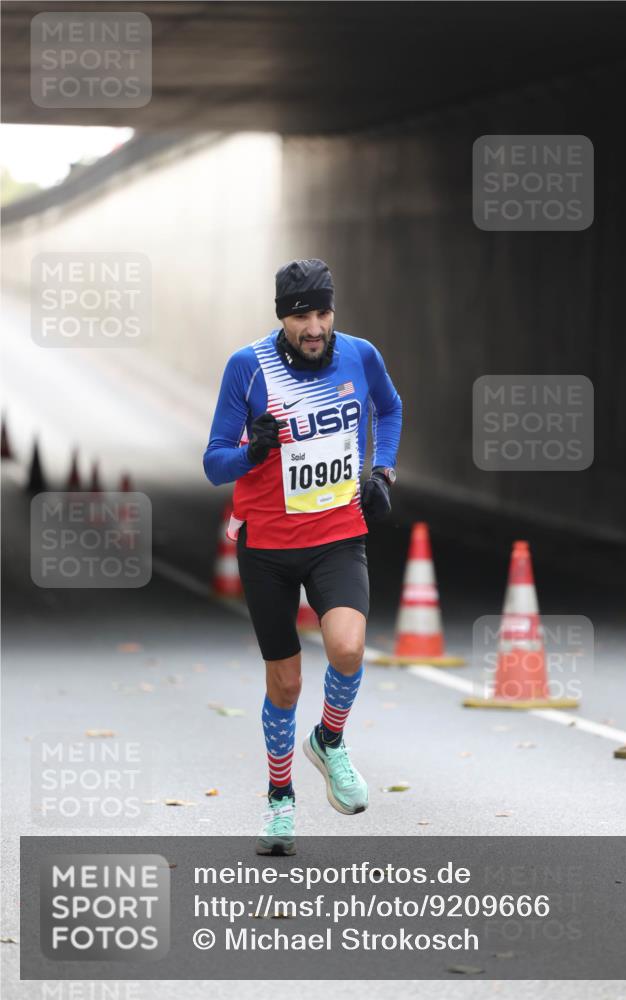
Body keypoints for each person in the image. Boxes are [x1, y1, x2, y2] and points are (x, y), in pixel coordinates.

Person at [203, 258, 402, 855]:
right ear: (281, 318)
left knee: (346, 646)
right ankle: (281, 802)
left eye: (321, 312)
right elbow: (214, 463)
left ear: (332, 311)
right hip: (267, 548)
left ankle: (331, 742)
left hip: (338, 533)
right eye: (300, 316)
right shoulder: (248, 367)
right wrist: (251, 452)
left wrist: (383, 469)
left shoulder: (361, 356)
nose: (313, 327)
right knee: (284, 684)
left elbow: (389, 409)